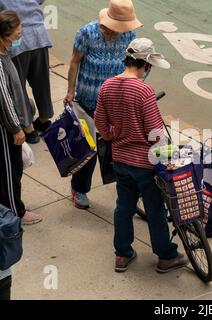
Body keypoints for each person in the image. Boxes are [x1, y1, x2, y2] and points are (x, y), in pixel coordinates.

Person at [94, 38, 189, 273]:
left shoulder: (107, 86)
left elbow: (100, 123)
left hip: (120, 160)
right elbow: (157, 133)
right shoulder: (144, 91)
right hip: (145, 163)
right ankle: (165, 256)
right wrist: (169, 159)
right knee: (156, 209)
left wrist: (112, 134)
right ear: (145, 65)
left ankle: (122, 254)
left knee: (123, 206)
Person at [63, 0, 142, 209]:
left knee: (116, 149)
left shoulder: (129, 36)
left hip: (117, 102)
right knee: (88, 149)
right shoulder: (87, 33)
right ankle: (79, 188)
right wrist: (70, 90)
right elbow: (74, 61)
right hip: (89, 101)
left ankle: (125, 189)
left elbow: (134, 66)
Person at [0, 10, 42, 225]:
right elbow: (5, 98)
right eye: (16, 34)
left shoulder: (4, 54)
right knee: (11, 170)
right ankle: (15, 211)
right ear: (3, 35)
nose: (19, 37)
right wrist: (16, 128)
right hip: (5, 129)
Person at [0, 0, 54, 144]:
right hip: (39, 35)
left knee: (18, 87)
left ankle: (29, 130)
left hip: (16, 39)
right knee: (42, 82)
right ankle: (44, 119)